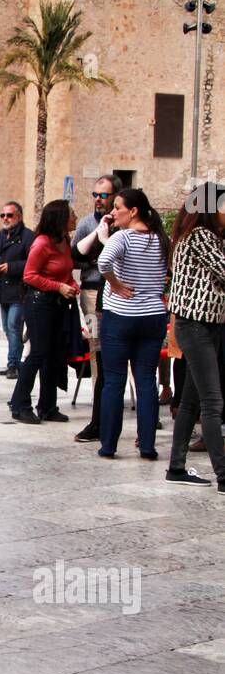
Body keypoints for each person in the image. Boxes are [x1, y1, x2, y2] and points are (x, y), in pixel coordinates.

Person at [97, 188, 169, 460]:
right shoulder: (162, 239)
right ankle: (148, 446)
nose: (113, 212)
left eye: (117, 207)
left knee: (114, 381)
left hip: (121, 316)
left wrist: (116, 284)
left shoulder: (124, 237)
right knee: (146, 381)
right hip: (152, 316)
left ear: (134, 210)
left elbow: (104, 261)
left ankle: (108, 445)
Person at [165, 188, 225, 488]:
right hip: (196, 326)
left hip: (206, 325)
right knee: (213, 403)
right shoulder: (201, 235)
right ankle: (224, 475)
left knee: (190, 401)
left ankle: (176, 467)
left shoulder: (203, 235)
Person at [10, 200, 80, 424]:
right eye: (71, 214)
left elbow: (66, 271)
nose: (75, 218)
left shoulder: (64, 241)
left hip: (58, 304)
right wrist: (58, 286)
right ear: (60, 219)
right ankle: (20, 405)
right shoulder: (41, 243)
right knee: (38, 353)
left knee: (54, 355)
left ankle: (48, 406)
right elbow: (29, 275)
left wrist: (70, 285)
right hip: (39, 304)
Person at [72, 175, 122, 386]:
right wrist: (93, 263)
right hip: (91, 292)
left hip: (119, 291)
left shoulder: (124, 223)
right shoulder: (86, 223)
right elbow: (73, 259)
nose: (98, 199)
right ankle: (98, 392)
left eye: (103, 195)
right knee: (96, 344)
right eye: (95, 195)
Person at [0, 200, 34, 378]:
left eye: (10, 215)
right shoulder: (0, 235)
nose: (6, 218)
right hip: (2, 290)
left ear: (19, 217)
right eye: (3, 215)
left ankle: (14, 365)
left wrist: (12, 267)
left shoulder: (28, 236)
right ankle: (14, 362)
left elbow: (32, 262)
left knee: (14, 327)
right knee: (8, 330)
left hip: (19, 290)